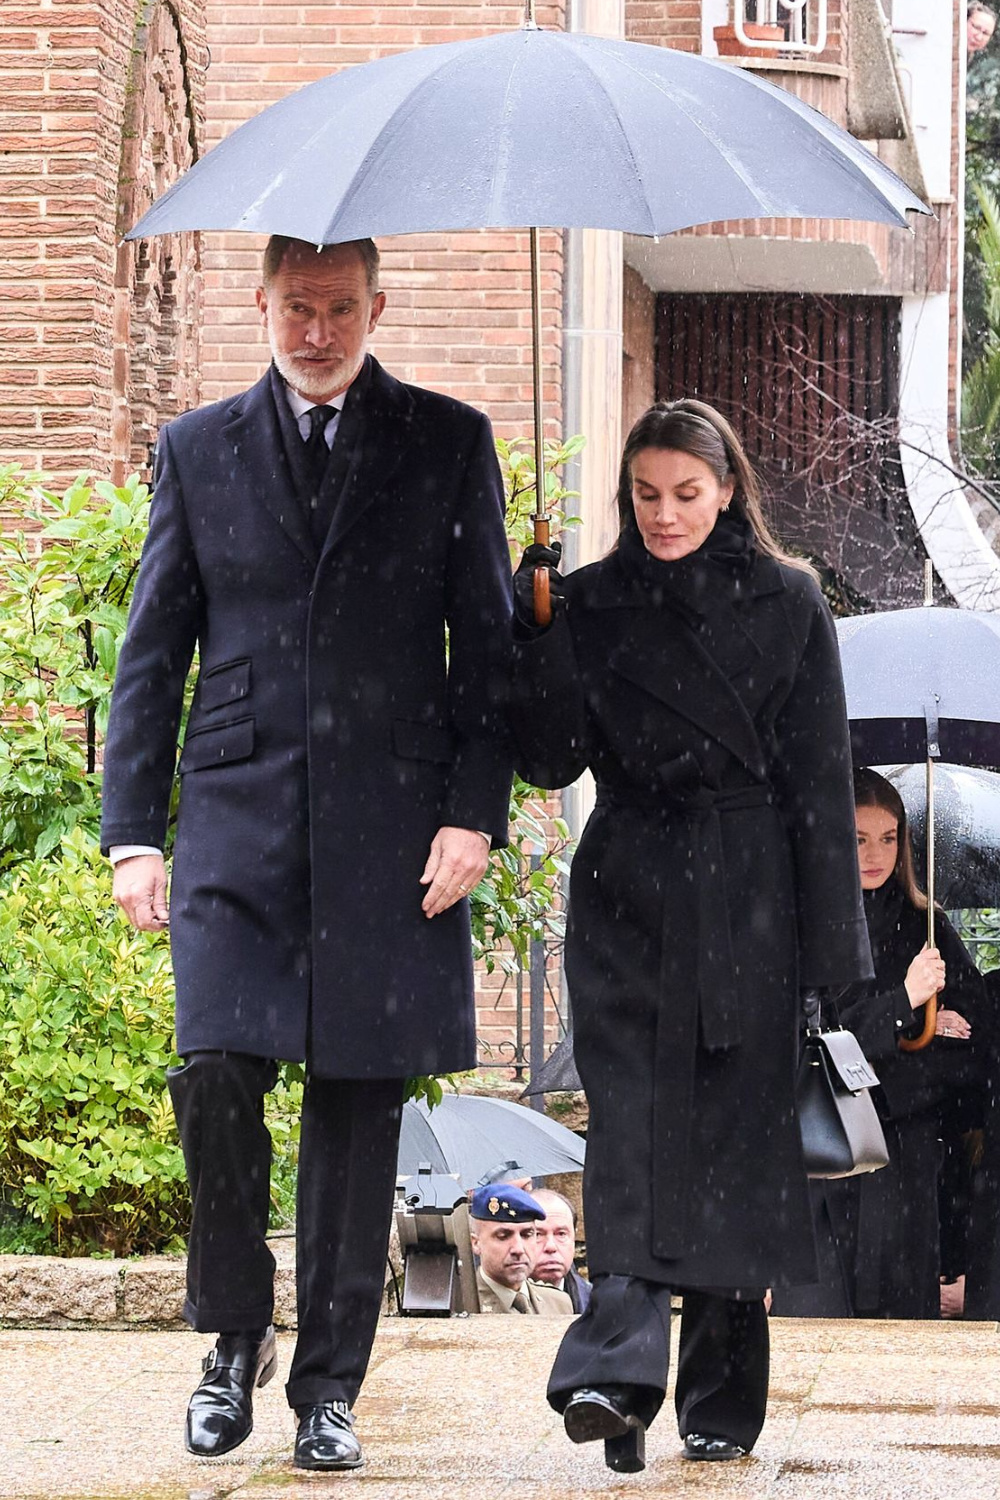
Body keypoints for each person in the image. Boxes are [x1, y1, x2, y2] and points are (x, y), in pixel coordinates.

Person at [101, 235, 513, 1471]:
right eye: (296, 308)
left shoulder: (448, 442)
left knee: (356, 1103)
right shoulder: (197, 448)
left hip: (396, 830)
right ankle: (235, 1336)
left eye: (338, 309)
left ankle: (329, 1388)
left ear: (378, 308)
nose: (316, 332)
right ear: (263, 304)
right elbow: (153, 651)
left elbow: (486, 648)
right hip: (236, 820)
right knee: (215, 1071)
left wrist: (473, 814)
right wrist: (134, 836)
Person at [509, 398, 871, 1473]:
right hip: (626, 892)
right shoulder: (586, 601)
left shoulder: (791, 601)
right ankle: (614, 1379)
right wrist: (535, 633)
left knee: (732, 1147)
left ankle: (716, 1394)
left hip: (750, 898)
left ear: (727, 491)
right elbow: (547, 760)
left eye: (685, 493)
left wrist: (832, 959)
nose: (663, 515)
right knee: (630, 1132)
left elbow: (820, 781)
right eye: (645, 495)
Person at [778, 768, 989, 1319]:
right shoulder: (805, 927)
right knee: (817, 1324)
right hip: (823, 1150)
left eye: (889, 838)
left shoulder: (927, 929)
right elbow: (809, 1041)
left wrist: (896, 1056)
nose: (876, 855)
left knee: (901, 1327)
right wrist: (904, 1004)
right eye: (858, 840)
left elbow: (972, 1050)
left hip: (904, 1162)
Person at [470, 1186, 574, 1315]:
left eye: (527, 1235)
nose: (518, 1249)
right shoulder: (462, 1304)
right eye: (503, 1236)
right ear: (476, 1243)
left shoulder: (558, 1303)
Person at [530, 1188, 592, 1312]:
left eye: (561, 1234)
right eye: (538, 1234)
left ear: (574, 1236)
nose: (551, 1247)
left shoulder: (598, 1304)